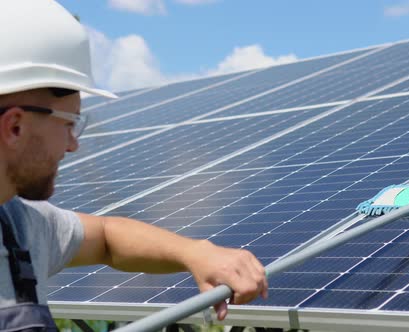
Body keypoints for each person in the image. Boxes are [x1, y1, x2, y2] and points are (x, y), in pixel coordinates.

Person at [0, 1, 268, 330]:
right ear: (14, 127)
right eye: (69, 124)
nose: (74, 144)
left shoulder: (17, 225)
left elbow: (107, 237)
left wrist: (195, 252)